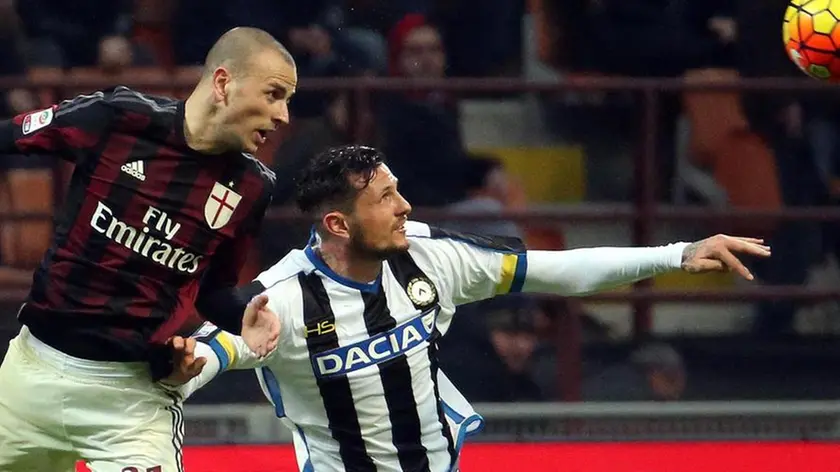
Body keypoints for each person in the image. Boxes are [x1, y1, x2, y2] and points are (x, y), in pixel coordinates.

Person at [169, 144, 770, 472]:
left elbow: (559, 273)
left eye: (398, 188)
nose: (405, 206)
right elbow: (211, 355)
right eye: (386, 197)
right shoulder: (283, 298)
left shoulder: (433, 258)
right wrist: (184, 368)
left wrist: (677, 252)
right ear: (337, 223)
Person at [0, 27, 293, 471]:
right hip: (29, 377)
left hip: (129, 404)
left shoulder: (253, 187)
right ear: (223, 82)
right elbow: (9, 136)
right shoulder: (120, 118)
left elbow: (213, 289)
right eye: (274, 94)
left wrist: (241, 316)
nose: (283, 115)